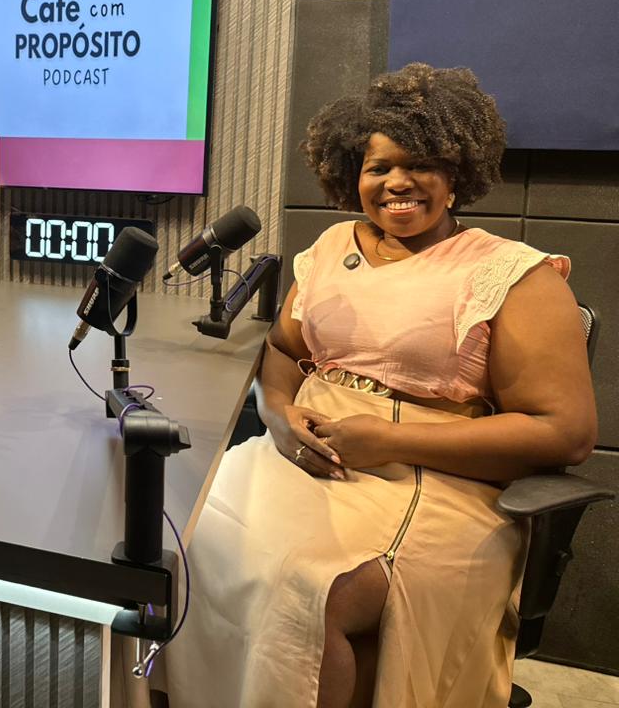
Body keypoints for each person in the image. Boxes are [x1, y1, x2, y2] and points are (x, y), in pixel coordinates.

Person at [158, 64, 597, 708]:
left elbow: (565, 433)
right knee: (177, 541)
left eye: (420, 164)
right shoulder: (333, 246)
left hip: (434, 481)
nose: (397, 182)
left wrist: (389, 441)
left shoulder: (512, 274)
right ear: (352, 176)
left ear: (456, 174)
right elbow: (283, 351)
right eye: (378, 167)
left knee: (305, 588)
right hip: (300, 458)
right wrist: (278, 416)